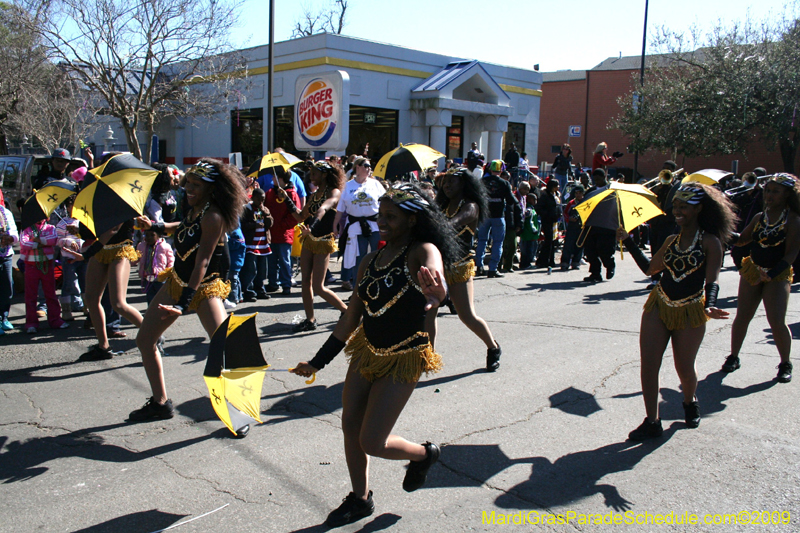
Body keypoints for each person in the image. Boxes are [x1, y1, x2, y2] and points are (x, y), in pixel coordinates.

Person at [290, 183, 460, 527]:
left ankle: (424, 455)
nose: (382, 221)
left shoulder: (422, 251)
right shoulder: (370, 260)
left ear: (412, 220)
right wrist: (318, 362)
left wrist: (437, 294)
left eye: (391, 217)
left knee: (372, 441)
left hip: (405, 354)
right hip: (367, 351)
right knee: (350, 427)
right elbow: (350, 318)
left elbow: (435, 274)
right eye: (380, 215)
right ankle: (360, 498)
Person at [131, 159, 246, 425]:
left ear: (211, 188)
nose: (189, 189)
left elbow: (202, 262)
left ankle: (236, 410)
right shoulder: (195, 208)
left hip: (204, 289)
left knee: (223, 348)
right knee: (145, 340)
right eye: (188, 183)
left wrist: (183, 304)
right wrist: (154, 227)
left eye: (196, 185)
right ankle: (160, 403)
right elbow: (183, 227)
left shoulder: (213, 216)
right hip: (178, 281)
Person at [616, 183, 735, 440]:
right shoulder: (671, 241)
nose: (678, 211)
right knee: (649, 365)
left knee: (685, 368)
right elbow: (650, 269)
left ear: (699, 208)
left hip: (691, 310)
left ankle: (690, 401)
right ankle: (652, 421)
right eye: (676, 206)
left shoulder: (711, 242)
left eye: (684, 207)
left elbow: (712, 279)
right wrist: (628, 241)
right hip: (659, 305)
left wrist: (710, 303)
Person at [722, 174, 800, 383]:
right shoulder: (759, 217)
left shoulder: (793, 220)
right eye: (767, 191)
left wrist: (772, 274)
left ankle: (785, 363)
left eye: (775, 191)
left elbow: (791, 253)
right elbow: (742, 240)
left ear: (787, 195)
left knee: (776, 321)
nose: (769, 195)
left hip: (778, 275)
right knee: (742, 316)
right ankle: (733, 356)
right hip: (753, 270)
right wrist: (721, 230)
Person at [436, 169, 503, 371]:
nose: (447, 185)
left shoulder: (471, 207)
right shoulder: (442, 205)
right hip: (438, 267)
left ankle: (493, 347)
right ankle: (425, 357)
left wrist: (431, 225)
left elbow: (450, 225)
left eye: (452, 181)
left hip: (459, 267)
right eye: (444, 182)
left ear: (464, 183)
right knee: (427, 313)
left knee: (467, 316)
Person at [289, 161, 348, 332]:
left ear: (324, 174)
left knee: (318, 287)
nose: (311, 177)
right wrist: (286, 199)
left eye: (314, 174)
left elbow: (322, 210)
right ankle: (310, 320)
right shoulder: (314, 195)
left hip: (323, 241)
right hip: (309, 240)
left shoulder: (334, 192)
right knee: (305, 281)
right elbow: (300, 216)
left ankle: (347, 311)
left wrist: (312, 228)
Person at [334, 157, 385, 291]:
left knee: (377, 256)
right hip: (355, 227)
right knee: (359, 258)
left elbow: (385, 203)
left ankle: (376, 285)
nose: (369, 169)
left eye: (370, 166)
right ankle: (358, 288)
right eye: (366, 166)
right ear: (357, 167)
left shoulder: (375, 184)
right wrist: (335, 226)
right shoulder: (348, 186)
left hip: (374, 225)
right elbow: (340, 209)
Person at [19, 218, 69, 333]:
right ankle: (31, 323)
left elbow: (53, 240)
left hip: (47, 264)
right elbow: (24, 243)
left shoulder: (50, 228)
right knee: (30, 295)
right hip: (30, 265)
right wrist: (42, 243)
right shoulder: (26, 229)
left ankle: (55, 320)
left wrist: (37, 240)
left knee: (51, 293)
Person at [474, 160, 520, 278]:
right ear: (501, 170)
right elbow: (511, 200)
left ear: (490, 169)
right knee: (498, 243)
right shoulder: (504, 183)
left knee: (482, 240)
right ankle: (493, 269)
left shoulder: (482, 182)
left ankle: (479, 266)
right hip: (498, 216)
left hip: (485, 216)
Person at [264, 168, 301, 295]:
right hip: (271, 233)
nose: (272, 179)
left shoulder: (291, 194)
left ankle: (286, 284)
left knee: (284, 260)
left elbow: (294, 216)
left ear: (280, 179)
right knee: (271, 261)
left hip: (284, 233)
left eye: (274, 177)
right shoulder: (270, 192)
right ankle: (273, 283)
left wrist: (282, 225)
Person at [239, 187, 273, 302]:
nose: (261, 202)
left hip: (262, 244)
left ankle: (260, 290)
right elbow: (242, 225)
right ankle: (248, 291)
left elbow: (270, 224)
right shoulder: (246, 209)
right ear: (253, 198)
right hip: (251, 245)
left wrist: (265, 213)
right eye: (259, 199)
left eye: (263, 200)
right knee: (250, 269)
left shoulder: (264, 209)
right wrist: (254, 225)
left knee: (261, 270)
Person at [582, 169, 616, 283]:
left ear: (604, 178)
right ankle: (595, 273)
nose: (597, 182)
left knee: (604, 249)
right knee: (590, 251)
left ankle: (610, 265)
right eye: (595, 180)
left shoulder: (612, 190)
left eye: (599, 179)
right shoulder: (591, 192)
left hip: (607, 225)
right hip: (592, 225)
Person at [135, 229, 174, 305]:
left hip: (161, 277)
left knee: (161, 297)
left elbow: (171, 260)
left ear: (159, 236)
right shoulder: (141, 246)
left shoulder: (165, 246)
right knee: (150, 297)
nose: (149, 237)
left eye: (152, 235)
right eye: (147, 235)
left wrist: (169, 272)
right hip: (147, 276)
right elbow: (136, 258)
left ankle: (161, 310)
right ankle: (151, 310)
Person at [0, 195, 18, 334]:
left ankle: (4, 317)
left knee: (7, 287)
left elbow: (15, 234)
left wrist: (10, 238)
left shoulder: (5, 213)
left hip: (5, 255)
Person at [535, 179, 561, 272]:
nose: (558, 187)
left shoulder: (556, 195)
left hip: (554, 221)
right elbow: (539, 208)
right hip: (547, 221)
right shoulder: (545, 196)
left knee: (553, 240)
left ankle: (551, 261)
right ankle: (543, 260)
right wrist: (547, 214)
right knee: (548, 240)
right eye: (556, 185)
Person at [560, 184, 585, 270]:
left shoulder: (585, 202)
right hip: (571, 227)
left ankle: (576, 262)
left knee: (579, 244)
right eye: (576, 193)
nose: (578, 195)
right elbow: (565, 213)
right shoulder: (571, 203)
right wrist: (569, 219)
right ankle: (565, 262)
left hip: (581, 227)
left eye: (580, 193)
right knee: (568, 245)